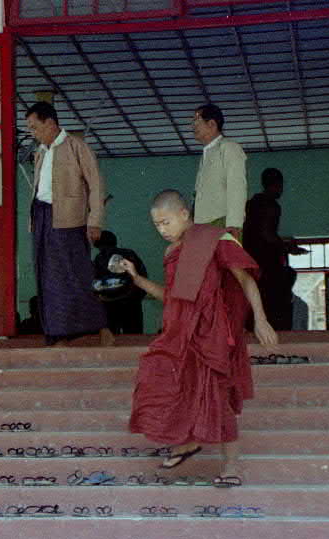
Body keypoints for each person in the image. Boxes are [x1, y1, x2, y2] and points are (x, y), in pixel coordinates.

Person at [119, 189, 278, 487]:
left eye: (166, 222)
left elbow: (244, 279)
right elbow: (172, 299)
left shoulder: (215, 239)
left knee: (216, 397)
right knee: (161, 382)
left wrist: (260, 318)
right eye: (157, 225)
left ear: (183, 214)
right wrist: (137, 278)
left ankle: (232, 465)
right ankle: (187, 443)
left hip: (212, 335)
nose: (162, 230)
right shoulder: (171, 253)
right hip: (180, 334)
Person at [25, 102, 114, 347]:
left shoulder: (78, 147)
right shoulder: (41, 151)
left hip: (70, 220)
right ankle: (57, 334)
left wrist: (95, 221)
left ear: (50, 123)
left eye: (35, 127)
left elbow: (96, 185)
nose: (33, 133)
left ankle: (102, 327)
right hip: (43, 218)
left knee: (78, 275)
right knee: (47, 278)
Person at [243, 168, 307, 330]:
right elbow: (266, 234)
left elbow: (258, 234)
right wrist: (286, 247)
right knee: (273, 306)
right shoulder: (271, 205)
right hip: (266, 266)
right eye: (280, 186)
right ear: (277, 185)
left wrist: (284, 244)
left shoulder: (251, 204)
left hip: (250, 262)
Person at [191, 104, 247, 239]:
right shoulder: (207, 154)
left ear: (211, 124)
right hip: (202, 226)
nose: (192, 126)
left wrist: (234, 224)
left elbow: (237, 187)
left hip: (223, 223)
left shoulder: (229, 148)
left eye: (196, 121)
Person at [92, 230, 147, 335]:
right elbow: (141, 276)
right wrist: (135, 298)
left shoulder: (99, 259)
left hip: (109, 306)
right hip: (131, 304)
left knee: (111, 341)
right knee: (134, 339)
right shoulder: (130, 254)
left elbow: (94, 285)